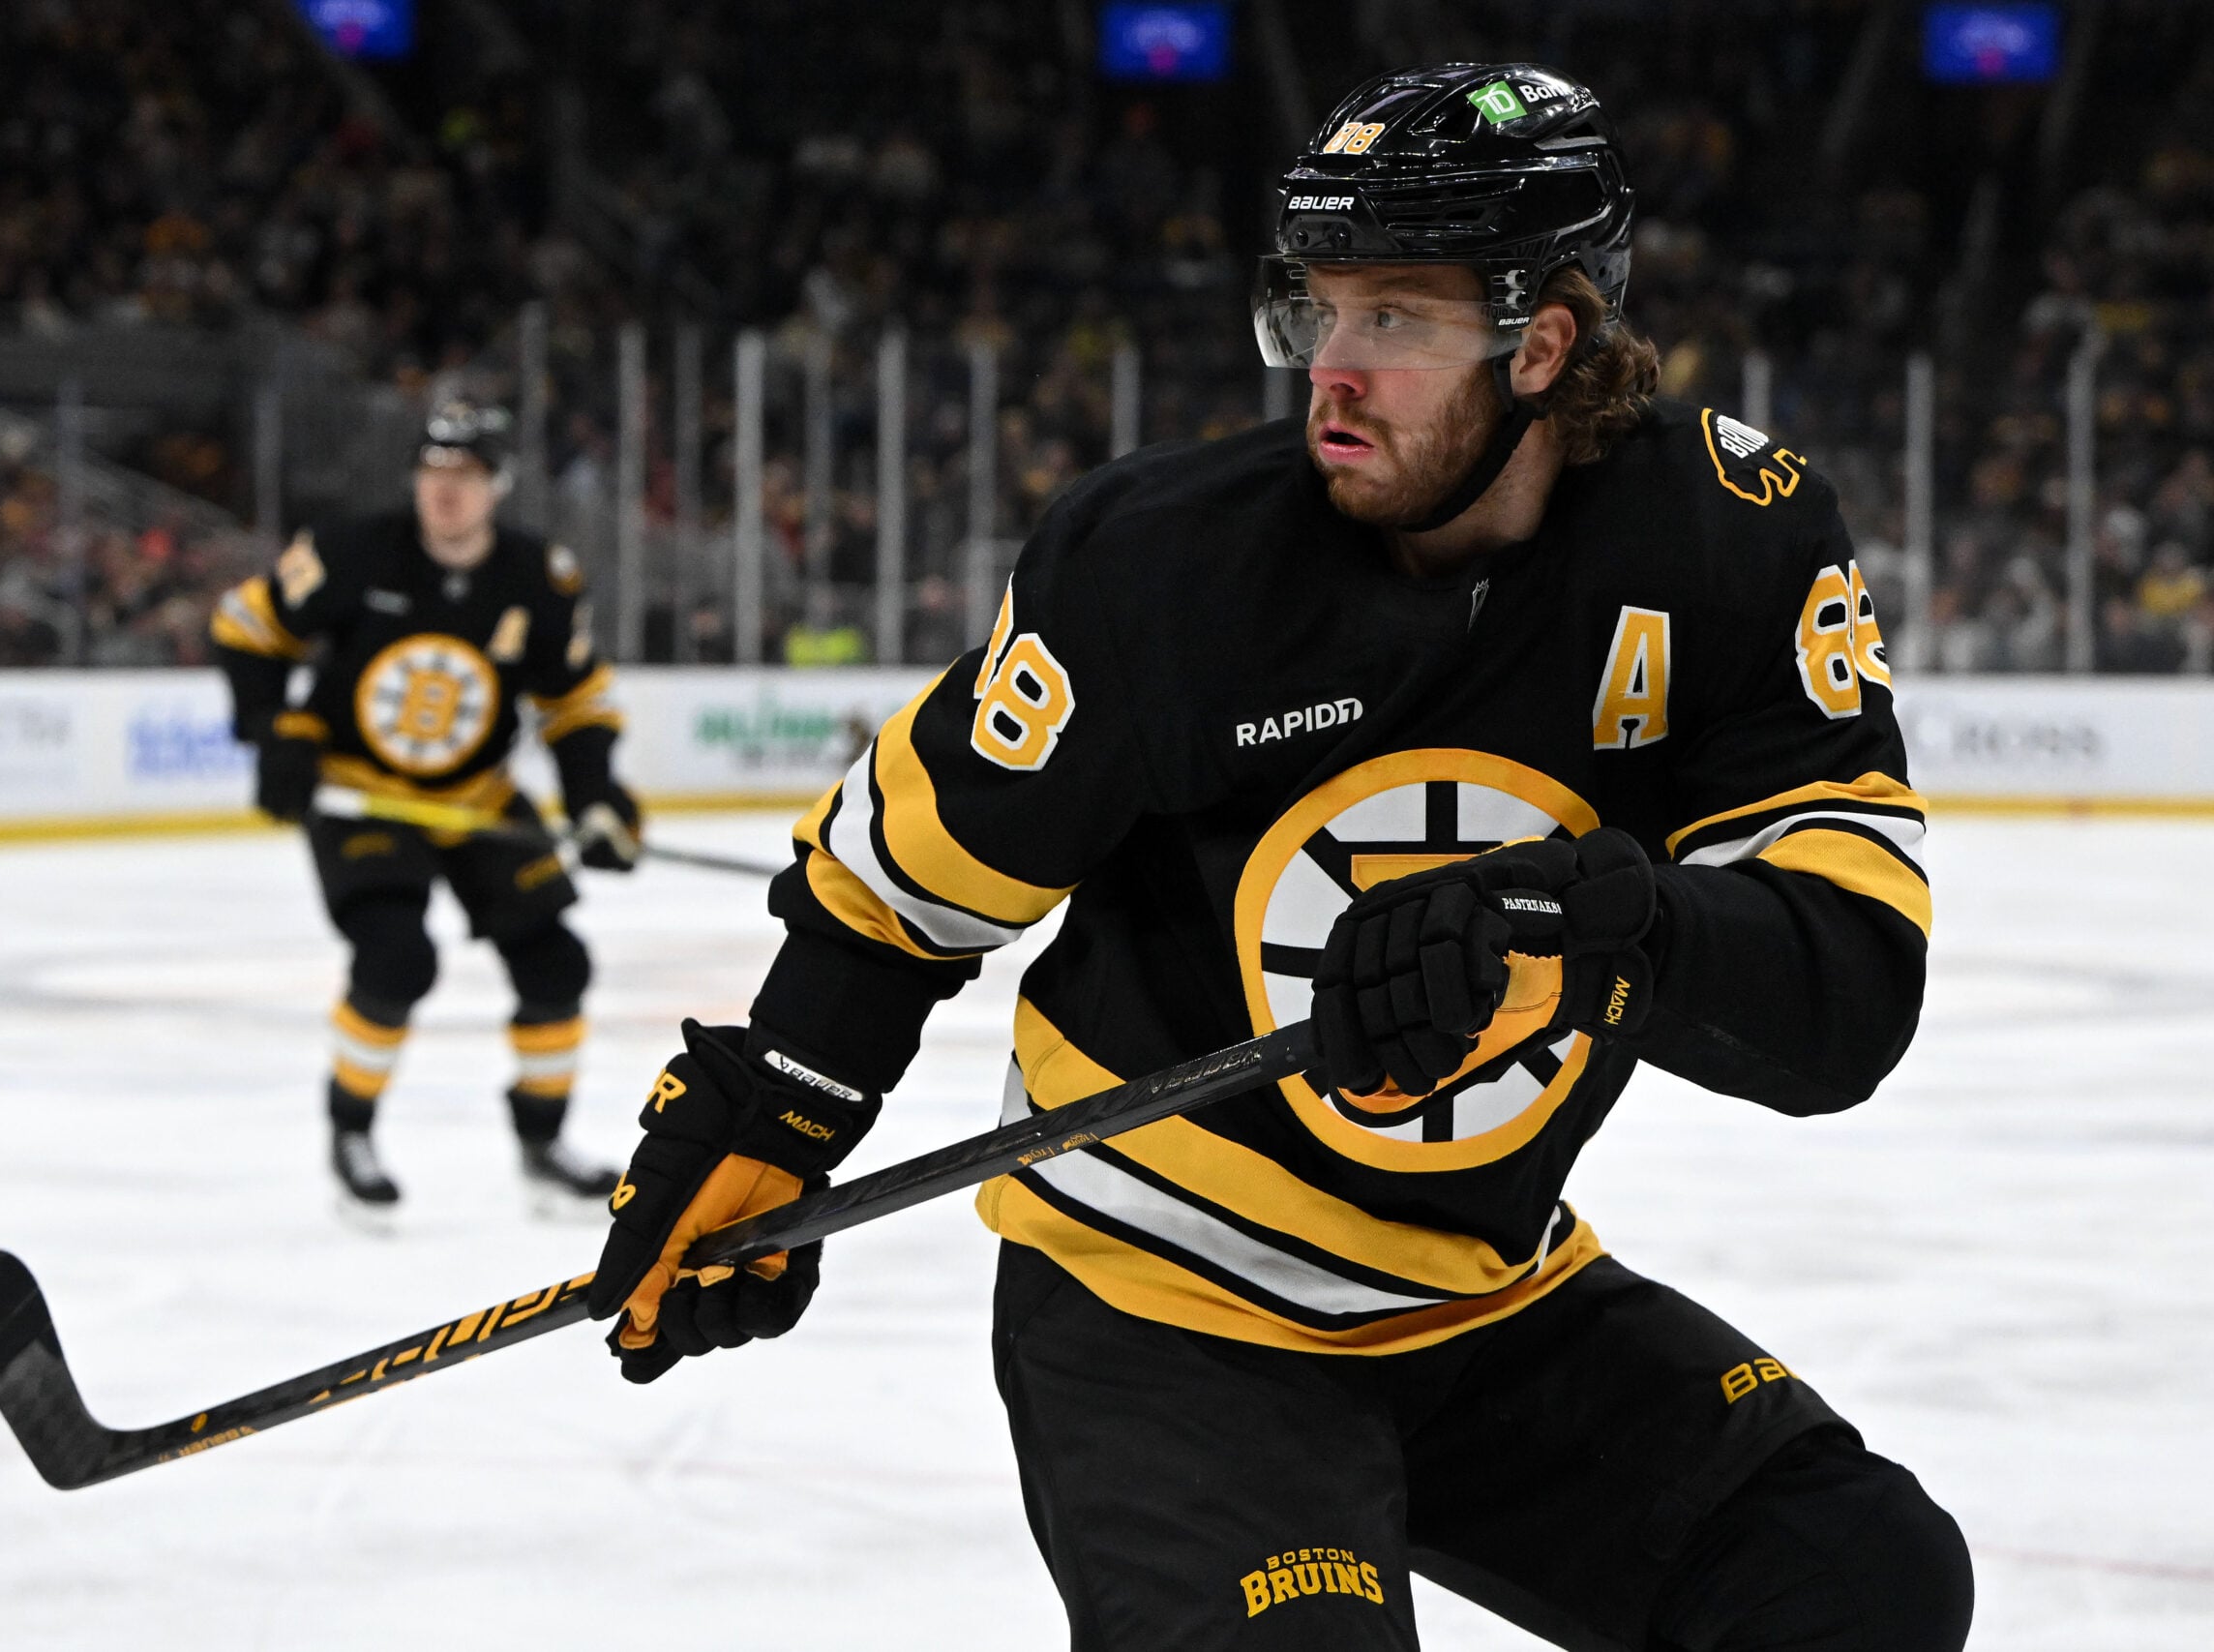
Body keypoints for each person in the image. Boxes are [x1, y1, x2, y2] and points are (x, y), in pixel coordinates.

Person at [583, 65, 1972, 1652]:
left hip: (1483, 1298)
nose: (1334, 367)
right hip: (1165, 1305)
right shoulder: (1165, 567)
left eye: (1396, 316)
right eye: (1318, 307)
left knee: (1856, 1578)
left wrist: (1594, 928)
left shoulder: (1735, 539)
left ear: (1544, 340)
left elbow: (1842, 997)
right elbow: (907, 882)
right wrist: (783, 1099)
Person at [210, 400, 637, 1208]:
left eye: (466, 476)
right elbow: (244, 630)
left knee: (558, 962)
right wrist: (277, 730)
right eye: (433, 473)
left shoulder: (538, 577)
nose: (446, 492)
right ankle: (351, 1129)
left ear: (498, 486)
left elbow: (577, 700)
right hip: (360, 795)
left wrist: (596, 795)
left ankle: (543, 1143)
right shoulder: (349, 552)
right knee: (397, 958)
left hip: (476, 796)